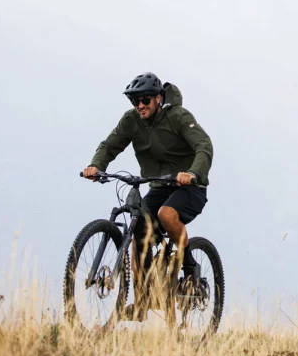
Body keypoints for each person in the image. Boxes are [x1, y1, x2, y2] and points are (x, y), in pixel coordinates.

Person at [82, 72, 214, 319]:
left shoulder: (178, 117)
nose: (140, 106)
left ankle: (189, 265)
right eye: (135, 102)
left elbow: (203, 146)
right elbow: (110, 145)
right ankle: (141, 303)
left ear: (158, 98)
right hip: (158, 187)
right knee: (138, 231)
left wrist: (193, 173)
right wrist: (96, 166)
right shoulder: (131, 120)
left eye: (144, 100)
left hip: (190, 188)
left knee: (166, 214)